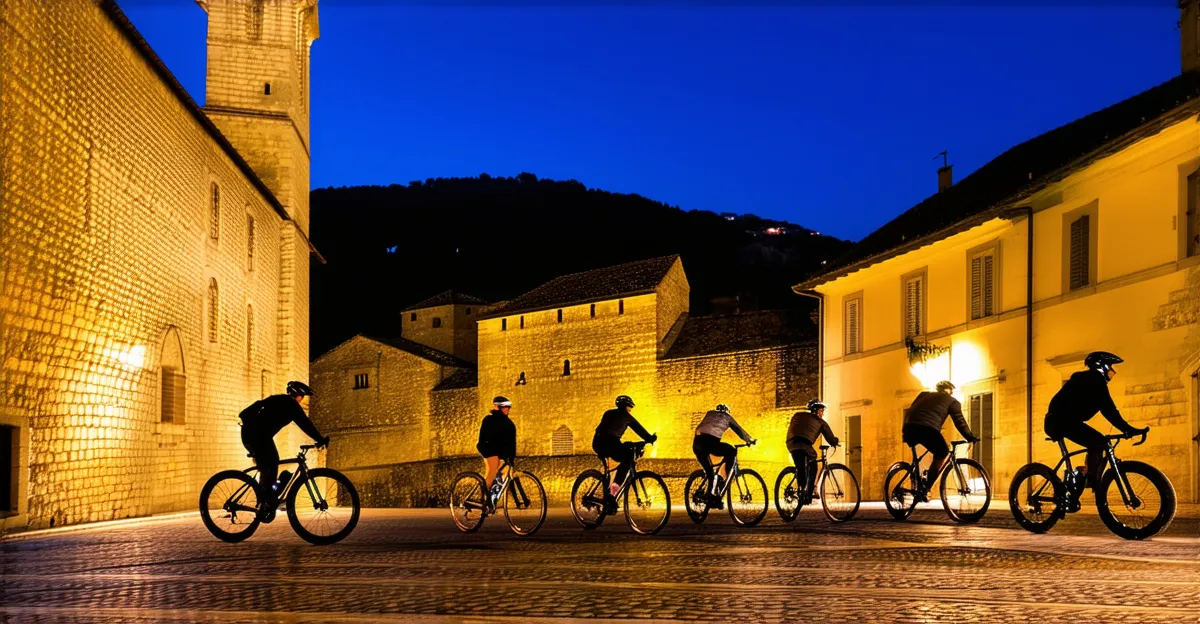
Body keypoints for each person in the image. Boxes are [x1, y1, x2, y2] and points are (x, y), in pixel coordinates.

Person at [1045, 352, 1147, 491]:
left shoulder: (1091, 379)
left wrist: (1126, 428)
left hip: (1065, 421)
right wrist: (1127, 429)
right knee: (1099, 443)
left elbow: (1107, 408)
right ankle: (1089, 478)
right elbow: (1108, 409)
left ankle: (1087, 477)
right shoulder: (1093, 379)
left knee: (1100, 443)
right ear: (1101, 366)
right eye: (1110, 366)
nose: (1112, 370)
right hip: (1059, 422)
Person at [239, 380, 329, 514]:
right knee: (272, 462)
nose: (302, 400)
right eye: (302, 396)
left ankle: (266, 499)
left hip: (253, 435)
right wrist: (320, 439)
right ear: (298, 395)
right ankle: (266, 500)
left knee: (270, 465)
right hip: (256, 436)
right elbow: (305, 423)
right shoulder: (290, 405)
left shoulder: (280, 400)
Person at [901, 380, 979, 498]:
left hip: (908, 428)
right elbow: (959, 421)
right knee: (942, 452)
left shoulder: (923, 395)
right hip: (928, 429)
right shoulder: (953, 402)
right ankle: (926, 488)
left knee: (926, 451)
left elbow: (913, 409)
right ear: (950, 391)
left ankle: (917, 479)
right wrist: (970, 437)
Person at [592, 395, 657, 510]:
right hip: (610, 442)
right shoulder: (627, 417)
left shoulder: (608, 413)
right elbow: (639, 429)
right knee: (627, 460)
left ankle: (608, 495)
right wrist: (650, 438)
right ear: (629, 406)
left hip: (597, 442)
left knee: (615, 463)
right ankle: (612, 494)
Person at [692, 403, 755, 507]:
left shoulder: (710, 413)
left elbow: (701, 428)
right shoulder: (727, 417)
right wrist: (749, 440)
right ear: (727, 411)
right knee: (731, 451)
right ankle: (725, 476)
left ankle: (710, 497)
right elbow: (739, 430)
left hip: (697, 443)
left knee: (710, 473)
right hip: (711, 442)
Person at [785, 399, 839, 503]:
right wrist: (834, 442)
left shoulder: (798, 415)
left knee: (801, 467)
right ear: (816, 411)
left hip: (791, 443)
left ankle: (802, 491)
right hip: (804, 444)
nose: (822, 413)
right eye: (821, 411)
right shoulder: (820, 422)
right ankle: (808, 494)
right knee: (813, 465)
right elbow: (830, 437)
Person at [477, 396, 517, 506]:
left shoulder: (509, 424)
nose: (507, 409)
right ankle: (484, 499)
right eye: (504, 407)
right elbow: (486, 439)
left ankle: (493, 496)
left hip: (500, 452)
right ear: (497, 407)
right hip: (488, 449)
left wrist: (510, 458)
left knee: (505, 472)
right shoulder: (489, 420)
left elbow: (511, 442)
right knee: (493, 469)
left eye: (508, 407)